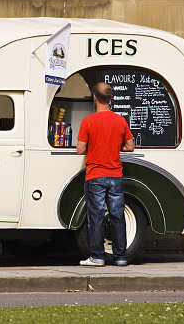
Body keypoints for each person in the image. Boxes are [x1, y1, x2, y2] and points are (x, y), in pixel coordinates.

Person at [75, 82, 135, 266]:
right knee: (117, 216)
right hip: (115, 175)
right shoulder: (120, 120)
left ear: (94, 98)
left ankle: (98, 256)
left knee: (96, 216)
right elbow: (130, 146)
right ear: (110, 98)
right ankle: (121, 257)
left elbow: (80, 149)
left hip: (95, 175)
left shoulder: (88, 122)